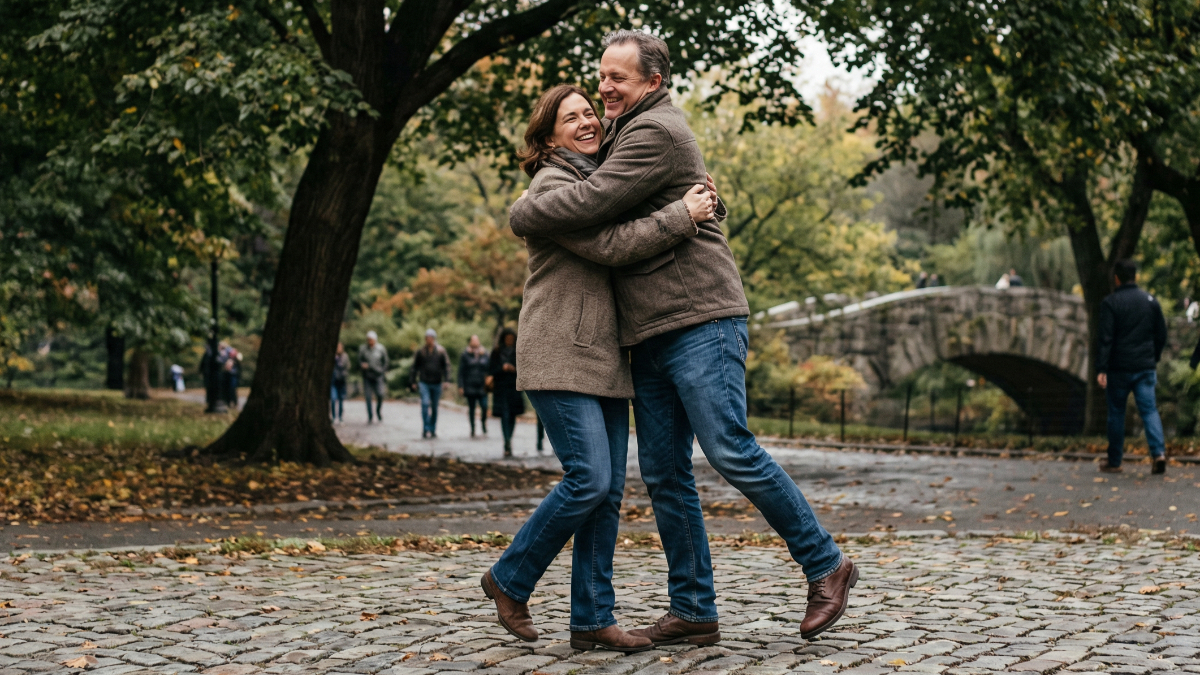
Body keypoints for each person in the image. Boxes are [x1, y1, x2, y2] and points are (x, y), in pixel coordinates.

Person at [509, 31, 854, 646]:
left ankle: (825, 563)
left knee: (729, 448)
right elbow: (608, 204)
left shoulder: (653, 131)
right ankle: (694, 609)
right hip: (648, 331)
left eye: (618, 78)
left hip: (699, 319)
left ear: (653, 82)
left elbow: (597, 201)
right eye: (601, 75)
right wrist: (693, 204)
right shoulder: (618, 135)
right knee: (665, 473)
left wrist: (524, 211)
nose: (605, 88)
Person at [481, 83, 712, 653]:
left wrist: (695, 193)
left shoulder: (597, 184)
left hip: (605, 356)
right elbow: (612, 245)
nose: (587, 121)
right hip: (560, 350)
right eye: (571, 118)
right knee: (589, 479)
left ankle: (591, 619)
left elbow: (630, 204)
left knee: (605, 493)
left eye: (590, 112)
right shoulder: (553, 187)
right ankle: (510, 577)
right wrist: (681, 215)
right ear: (548, 136)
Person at [1097, 259, 1168, 475]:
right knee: (1149, 410)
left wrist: (1102, 368)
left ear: (1116, 278)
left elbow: (1106, 338)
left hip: (1119, 368)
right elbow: (1161, 334)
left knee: (1116, 413)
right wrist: (1153, 357)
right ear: (1135, 277)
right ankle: (1158, 453)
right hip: (1144, 366)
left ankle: (1115, 461)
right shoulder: (1150, 301)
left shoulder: (1111, 303)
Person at [411, 328, 451, 439]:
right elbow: (414, 367)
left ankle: (432, 429)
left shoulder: (441, 351)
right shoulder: (421, 352)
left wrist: (447, 380)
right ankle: (426, 428)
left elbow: (446, 366)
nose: (429, 340)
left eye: (431, 338)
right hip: (424, 382)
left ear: (434, 339)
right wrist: (413, 381)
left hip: (437, 382)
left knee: (434, 407)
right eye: (427, 338)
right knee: (425, 404)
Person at [489, 328, 523, 458]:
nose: (509, 340)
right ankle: (507, 440)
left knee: (512, 414)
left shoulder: (518, 351)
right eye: (507, 338)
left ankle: (509, 438)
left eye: (511, 338)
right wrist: (502, 368)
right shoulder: (497, 352)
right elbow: (491, 369)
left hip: (514, 387)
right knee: (505, 414)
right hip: (501, 387)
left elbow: (523, 369)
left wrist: (513, 369)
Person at [458, 335, 490, 437]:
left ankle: (483, 422)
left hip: (482, 386)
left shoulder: (485, 354)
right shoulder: (465, 355)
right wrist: (461, 386)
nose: (475, 342)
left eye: (477, 340)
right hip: (470, 385)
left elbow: (489, 368)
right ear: (470, 342)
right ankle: (472, 428)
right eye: (473, 340)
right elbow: (461, 372)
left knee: (484, 406)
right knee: (471, 408)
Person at [359, 330, 389, 424]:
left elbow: (386, 361)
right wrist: (362, 365)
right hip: (367, 376)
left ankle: (378, 411)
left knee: (380, 394)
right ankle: (370, 416)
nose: (370, 341)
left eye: (371, 339)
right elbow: (359, 361)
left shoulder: (381, 348)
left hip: (378, 375)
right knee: (368, 397)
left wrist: (382, 371)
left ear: (375, 340)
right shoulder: (363, 349)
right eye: (368, 339)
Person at [331, 342, 349, 422]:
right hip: (333, 380)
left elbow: (347, 366)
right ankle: (333, 417)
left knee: (341, 399)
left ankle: (340, 416)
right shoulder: (332, 356)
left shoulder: (345, 356)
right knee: (333, 399)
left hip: (342, 380)